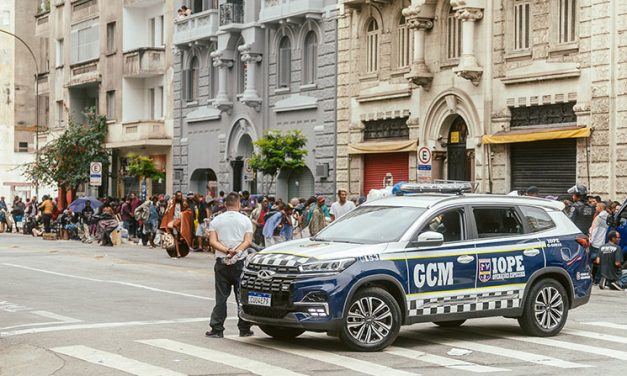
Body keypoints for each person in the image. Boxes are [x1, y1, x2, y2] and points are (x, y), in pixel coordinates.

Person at [206, 192, 254, 339]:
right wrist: (237, 251)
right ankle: (244, 328)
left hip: (222, 262)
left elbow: (212, 242)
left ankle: (217, 328)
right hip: (240, 263)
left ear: (225, 204)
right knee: (241, 296)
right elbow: (248, 241)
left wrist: (227, 250)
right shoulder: (246, 220)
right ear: (239, 204)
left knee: (221, 297)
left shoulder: (216, 220)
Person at [160, 191, 193, 258]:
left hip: (182, 223)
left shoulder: (184, 203)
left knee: (181, 238)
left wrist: (183, 214)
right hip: (174, 223)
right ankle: (177, 253)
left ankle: (180, 250)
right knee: (175, 236)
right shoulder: (171, 203)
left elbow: (188, 211)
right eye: (178, 195)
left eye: (180, 195)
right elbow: (167, 212)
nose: (179, 197)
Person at [589, 202, 608, 284]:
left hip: (595, 243)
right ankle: (598, 279)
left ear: (600, 207)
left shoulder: (599, 217)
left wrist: (590, 240)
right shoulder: (607, 217)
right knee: (600, 262)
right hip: (602, 242)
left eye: (597, 206)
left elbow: (595, 230)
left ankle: (590, 278)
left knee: (590, 261)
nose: (595, 207)